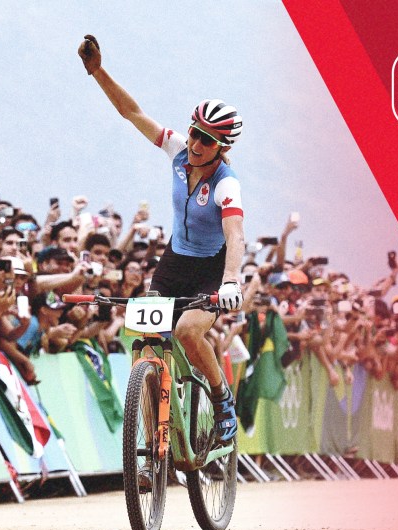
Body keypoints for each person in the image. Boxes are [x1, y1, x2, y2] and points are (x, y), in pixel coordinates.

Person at [79, 34, 245, 445]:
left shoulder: (227, 185)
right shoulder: (177, 151)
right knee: (148, 344)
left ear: (221, 148)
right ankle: (155, 444)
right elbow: (131, 112)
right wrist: (98, 71)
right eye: (193, 132)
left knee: (189, 333)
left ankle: (223, 400)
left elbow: (235, 235)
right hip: (174, 263)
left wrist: (231, 282)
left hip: (211, 269)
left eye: (206, 140)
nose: (194, 143)